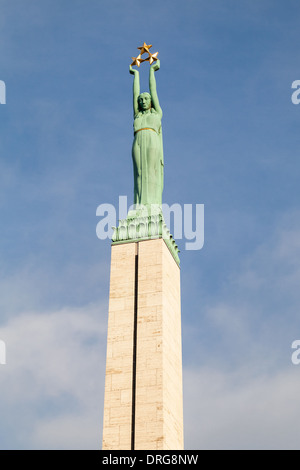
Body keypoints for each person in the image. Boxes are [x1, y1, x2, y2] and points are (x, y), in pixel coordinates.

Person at [129, 60, 164, 211]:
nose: (143, 101)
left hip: (151, 140)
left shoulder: (157, 113)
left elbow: (153, 90)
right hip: (138, 141)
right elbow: (135, 93)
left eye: (146, 99)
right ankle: (139, 205)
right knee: (139, 173)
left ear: (151, 101)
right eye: (141, 100)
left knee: (151, 170)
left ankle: (152, 204)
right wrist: (136, 74)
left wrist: (151, 71)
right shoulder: (137, 116)